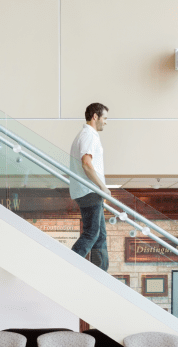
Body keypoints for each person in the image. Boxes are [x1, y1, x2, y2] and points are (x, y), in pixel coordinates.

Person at [69, 103, 110, 271]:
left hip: (90, 191)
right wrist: (103, 188)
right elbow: (86, 164)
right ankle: (69, 265)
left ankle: (100, 273)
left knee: (99, 235)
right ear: (95, 116)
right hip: (89, 190)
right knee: (92, 233)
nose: (106, 122)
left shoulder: (89, 135)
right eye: (104, 118)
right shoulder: (88, 135)